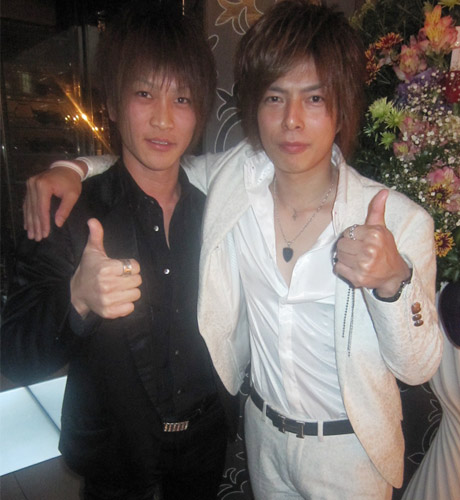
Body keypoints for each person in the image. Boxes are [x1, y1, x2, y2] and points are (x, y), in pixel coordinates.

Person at [17, 1, 443, 498]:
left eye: (314, 98)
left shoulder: (399, 221)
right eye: (274, 97)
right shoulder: (234, 182)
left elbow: (419, 367)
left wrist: (394, 283)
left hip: (348, 454)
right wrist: (72, 168)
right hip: (260, 441)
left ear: (342, 107)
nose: (291, 121)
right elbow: (154, 162)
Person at [1, 2, 237, 499]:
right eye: (144, 93)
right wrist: (77, 299)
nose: (163, 119)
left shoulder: (220, 212)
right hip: (114, 462)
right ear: (111, 102)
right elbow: (15, 354)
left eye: (182, 99)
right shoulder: (69, 211)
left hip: (206, 449)